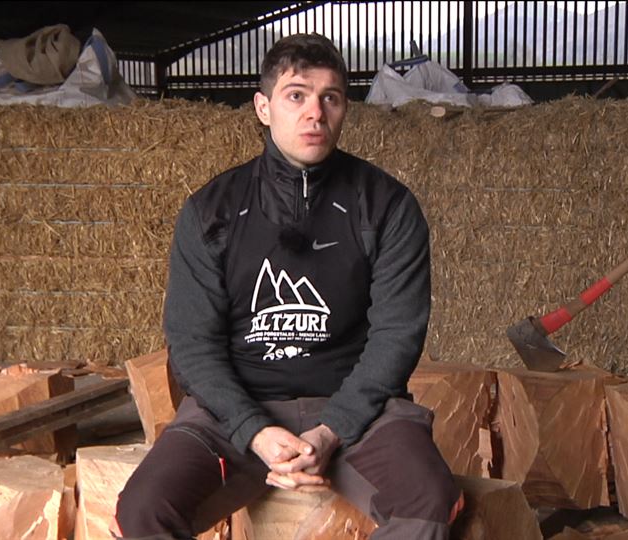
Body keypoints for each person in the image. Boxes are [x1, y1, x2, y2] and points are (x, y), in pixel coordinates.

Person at [115, 33, 461, 540]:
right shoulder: (212, 210)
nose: (314, 113)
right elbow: (192, 342)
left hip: (356, 413)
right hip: (233, 412)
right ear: (264, 107)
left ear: (344, 110)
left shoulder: (387, 206)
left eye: (330, 98)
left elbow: (397, 335)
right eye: (296, 95)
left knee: (430, 500)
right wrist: (252, 429)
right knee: (141, 510)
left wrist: (333, 429)